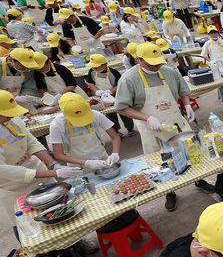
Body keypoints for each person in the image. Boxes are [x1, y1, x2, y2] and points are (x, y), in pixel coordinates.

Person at [115, 43, 207, 211]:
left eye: (158, 62)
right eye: (151, 63)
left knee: (190, 153)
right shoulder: (129, 78)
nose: (156, 66)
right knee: (161, 163)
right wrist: (147, 117)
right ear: (139, 59)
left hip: (175, 123)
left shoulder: (169, 72)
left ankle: (199, 180)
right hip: (152, 128)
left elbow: (183, 90)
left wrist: (186, 104)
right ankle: (169, 192)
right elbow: (121, 107)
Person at [0, 89, 82, 234]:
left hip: (35, 168)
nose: (10, 117)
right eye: (6, 114)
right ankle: (43, 254)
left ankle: (74, 244)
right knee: (26, 223)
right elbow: (4, 169)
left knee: (59, 210)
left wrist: (52, 164)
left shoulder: (13, 120)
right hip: (11, 185)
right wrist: (52, 172)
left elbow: (31, 143)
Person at [49, 92, 120, 172]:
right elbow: (58, 155)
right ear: (64, 114)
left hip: (103, 161)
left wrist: (115, 153)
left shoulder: (95, 115)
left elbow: (115, 137)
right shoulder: (57, 124)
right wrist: (87, 162)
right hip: (77, 167)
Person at [84, 54, 135, 136]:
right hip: (103, 97)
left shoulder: (113, 73)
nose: (95, 68)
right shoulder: (92, 71)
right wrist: (97, 91)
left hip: (117, 95)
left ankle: (130, 128)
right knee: (110, 115)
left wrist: (109, 91)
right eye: (93, 67)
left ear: (104, 65)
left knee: (124, 112)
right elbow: (90, 83)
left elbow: (120, 85)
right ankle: (116, 131)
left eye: (97, 67)